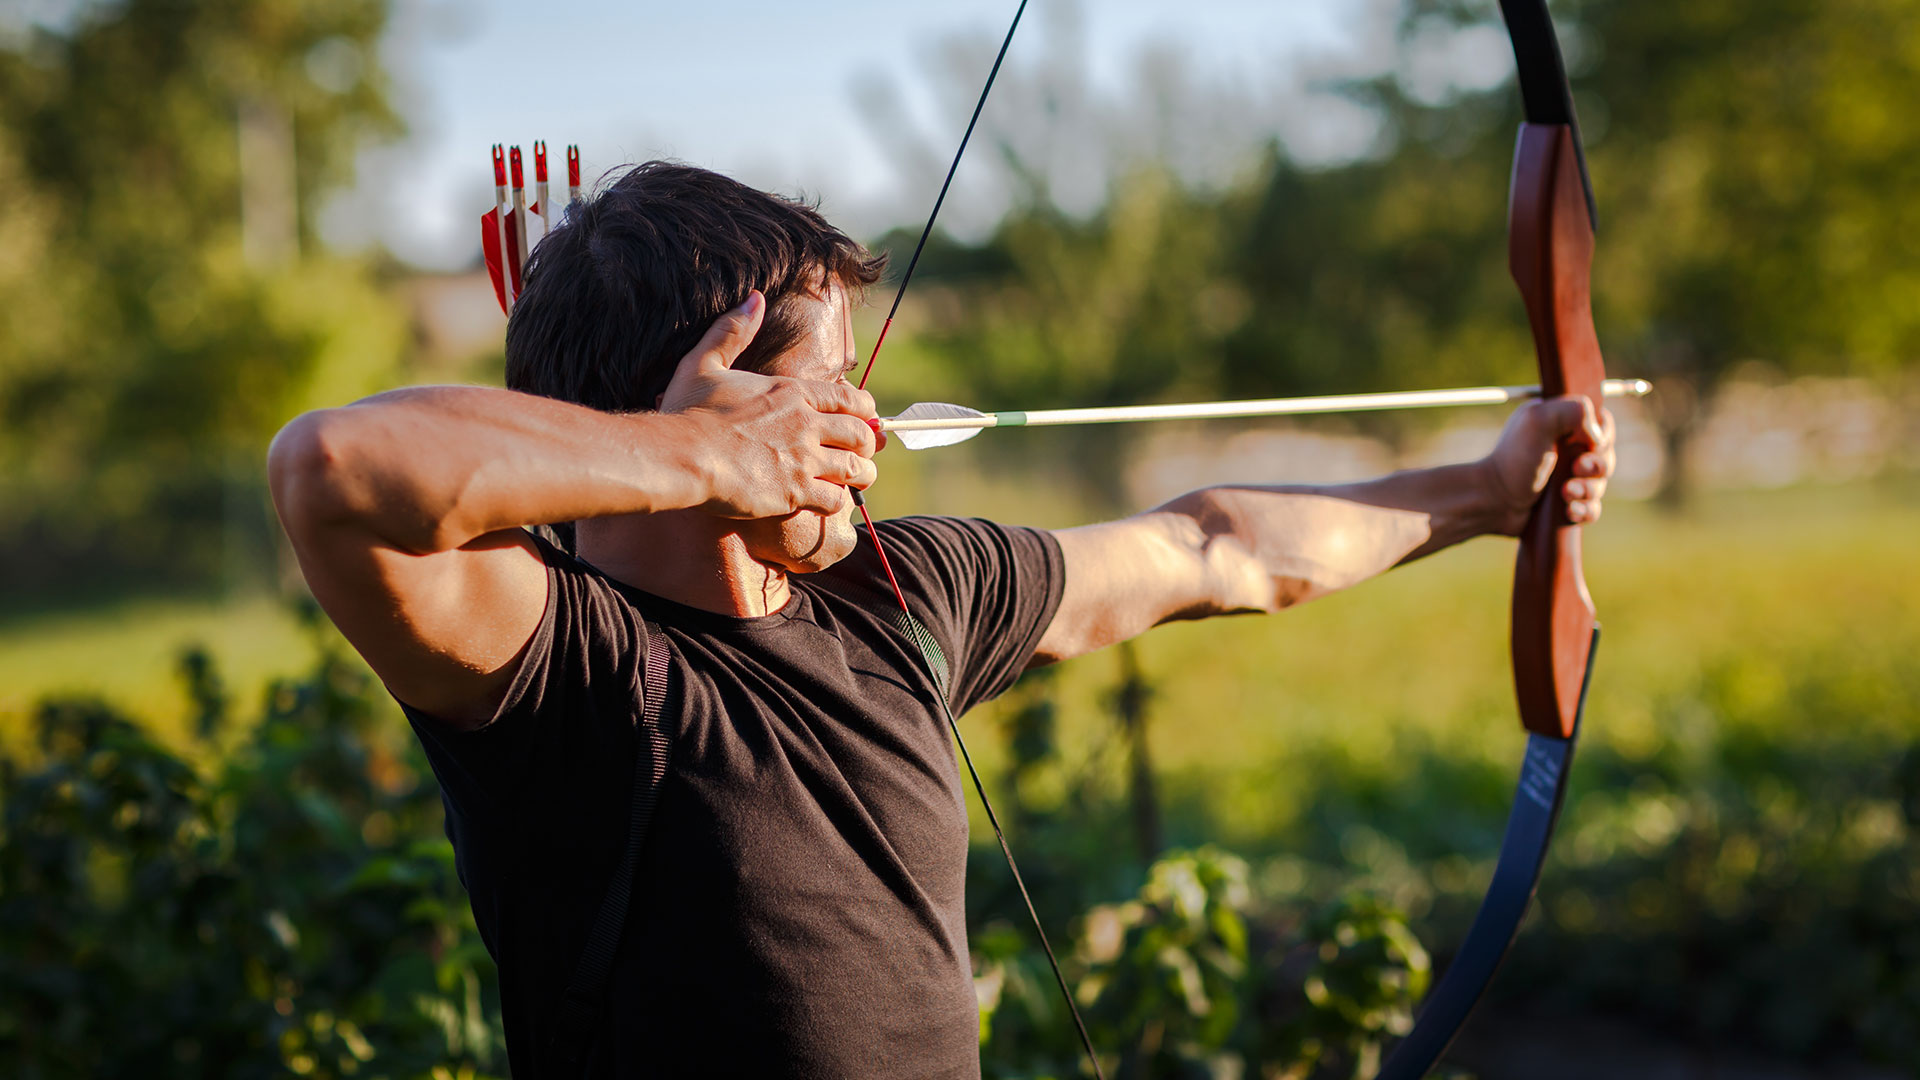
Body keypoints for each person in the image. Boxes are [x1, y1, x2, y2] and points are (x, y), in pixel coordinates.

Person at [267, 162, 1615, 1078]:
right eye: (828, 390)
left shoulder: (906, 593)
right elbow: (332, 470)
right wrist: (711, 464)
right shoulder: (565, 667)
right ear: (711, 409)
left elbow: (1218, 548)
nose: (866, 429)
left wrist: (1491, 494)